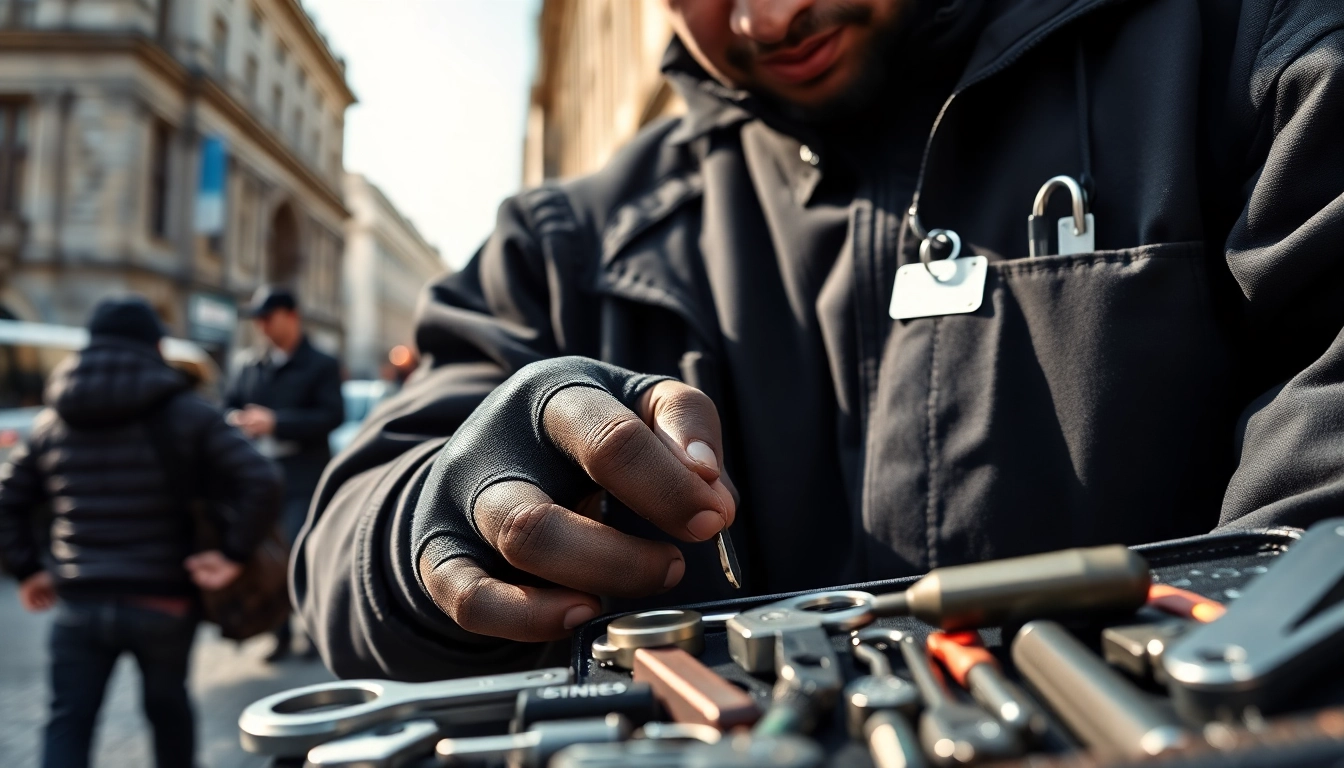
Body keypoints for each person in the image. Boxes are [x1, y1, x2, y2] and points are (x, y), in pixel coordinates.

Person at [294, 0, 1344, 681]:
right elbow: (343, 551)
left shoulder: (1252, 54)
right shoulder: (566, 244)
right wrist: (442, 519)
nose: (771, 15)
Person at [0, 296, 282, 768]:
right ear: (156, 346)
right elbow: (262, 479)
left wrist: (29, 569)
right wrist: (232, 554)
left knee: (68, 721)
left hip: (79, 601)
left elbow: (7, 499)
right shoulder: (189, 412)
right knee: (168, 714)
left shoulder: (53, 420)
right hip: (164, 600)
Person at [226, 285, 343, 660]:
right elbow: (226, 405)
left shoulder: (321, 364)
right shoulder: (248, 364)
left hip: (304, 477)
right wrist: (236, 420)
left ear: (291, 316)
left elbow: (331, 416)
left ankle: (312, 631)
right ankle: (278, 633)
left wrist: (277, 422)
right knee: (269, 558)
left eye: (267, 317)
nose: (261, 326)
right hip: (259, 480)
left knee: (300, 553)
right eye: (257, 319)